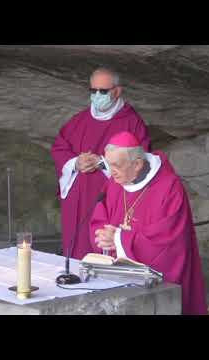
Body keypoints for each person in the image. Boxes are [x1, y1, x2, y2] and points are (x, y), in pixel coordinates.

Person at [89, 131, 208, 315]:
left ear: (137, 164)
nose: (111, 172)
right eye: (108, 164)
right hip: (119, 278)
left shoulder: (168, 187)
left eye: (116, 166)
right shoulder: (116, 182)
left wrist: (120, 239)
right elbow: (101, 216)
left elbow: (170, 241)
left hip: (157, 286)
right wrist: (103, 236)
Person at [51, 67, 151, 260]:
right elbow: (59, 147)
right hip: (78, 197)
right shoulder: (79, 120)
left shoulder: (132, 122)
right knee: (76, 252)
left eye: (103, 91)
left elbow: (141, 161)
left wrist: (103, 163)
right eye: (93, 91)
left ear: (117, 91)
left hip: (109, 197)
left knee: (103, 254)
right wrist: (76, 162)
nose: (97, 95)